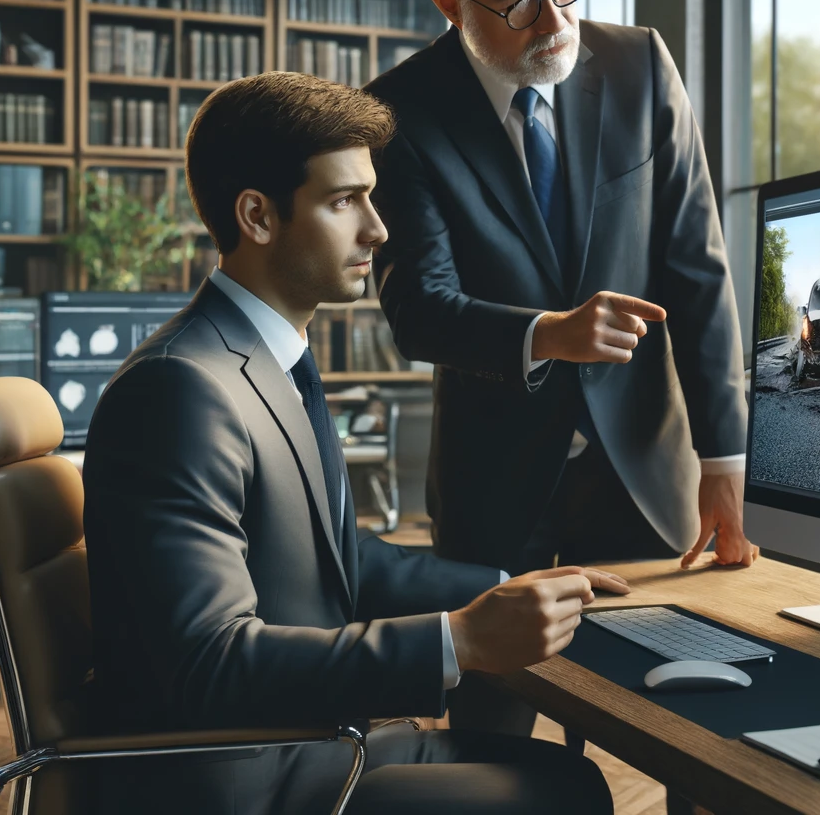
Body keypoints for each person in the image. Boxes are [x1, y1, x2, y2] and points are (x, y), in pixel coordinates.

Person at [80, 72, 622, 814]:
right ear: (258, 216)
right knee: (557, 795)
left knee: (565, 781)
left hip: (311, 743)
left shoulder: (265, 356)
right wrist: (457, 640)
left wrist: (505, 587)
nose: (379, 228)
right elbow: (207, 661)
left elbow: (340, 561)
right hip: (241, 778)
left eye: (371, 196)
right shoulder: (179, 389)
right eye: (344, 201)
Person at [366, 0, 757, 737]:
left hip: (644, 473)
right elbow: (419, 310)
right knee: (491, 728)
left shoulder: (640, 65)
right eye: (518, 5)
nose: (555, 21)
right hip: (493, 482)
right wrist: (549, 334)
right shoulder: (398, 115)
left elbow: (697, 271)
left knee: (683, 720)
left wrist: (723, 462)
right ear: (447, 1)